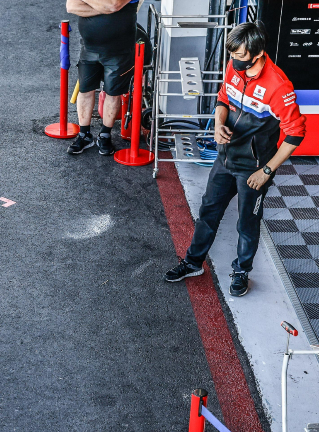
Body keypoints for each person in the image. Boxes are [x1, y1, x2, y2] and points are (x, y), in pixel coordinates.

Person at [165, 22, 306, 296]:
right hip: (225, 159)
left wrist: (266, 170)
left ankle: (242, 272)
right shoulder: (234, 67)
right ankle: (194, 262)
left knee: (247, 223)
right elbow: (223, 98)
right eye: (232, 55)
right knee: (208, 212)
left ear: (258, 53)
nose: (234, 61)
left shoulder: (278, 86)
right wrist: (218, 123)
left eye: (240, 56)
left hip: (253, 168)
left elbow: (296, 133)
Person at [65, 0, 144, 156]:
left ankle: (105, 135)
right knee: (85, 90)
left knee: (112, 93)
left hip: (119, 51)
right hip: (89, 47)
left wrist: (91, 5)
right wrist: (105, 9)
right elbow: (71, 6)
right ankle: (84, 135)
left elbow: (113, 5)